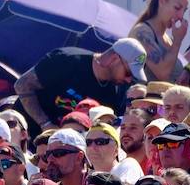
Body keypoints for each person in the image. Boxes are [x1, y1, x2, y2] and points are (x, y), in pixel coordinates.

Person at [14, 40, 146, 132]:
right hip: (23, 132)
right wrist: (46, 124)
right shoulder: (67, 60)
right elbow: (22, 85)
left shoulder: (116, 92)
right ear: (114, 59)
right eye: (128, 73)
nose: (129, 80)